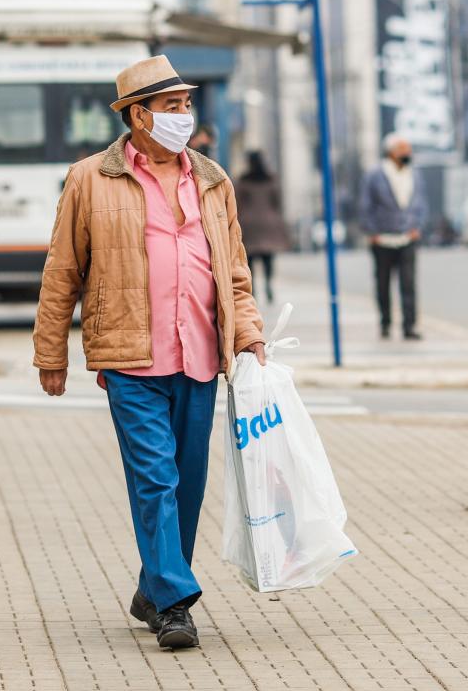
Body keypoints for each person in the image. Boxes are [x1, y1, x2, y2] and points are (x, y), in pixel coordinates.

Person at [33, 55, 266, 651]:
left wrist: (250, 335)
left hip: (200, 353)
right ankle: (175, 606)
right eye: (171, 107)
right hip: (130, 355)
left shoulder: (212, 179)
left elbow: (233, 269)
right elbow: (63, 271)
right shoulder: (90, 178)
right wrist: (50, 353)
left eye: (186, 105)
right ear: (138, 116)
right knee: (155, 480)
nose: (183, 116)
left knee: (187, 484)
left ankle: (153, 587)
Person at [359, 133, 428, 341]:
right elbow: (365, 206)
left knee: (408, 283)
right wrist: (372, 232)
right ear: (391, 152)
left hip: (408, 237)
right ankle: (385, 323)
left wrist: (418, 226)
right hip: (382, 239)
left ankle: (409, 325)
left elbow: (421, 204)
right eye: (402, 149)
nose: (408, 153)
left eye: (408, 149)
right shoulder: (374, 175)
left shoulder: (414, 175)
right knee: (383, 283)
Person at [236, 150, 289, 305]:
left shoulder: (243, 181)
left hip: (249, 224)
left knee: (249, 258)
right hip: (268, 223)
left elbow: (237, 202)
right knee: (268, 258)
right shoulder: (271, 179)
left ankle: (254, 290)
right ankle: (268, 285)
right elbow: (277, 201)